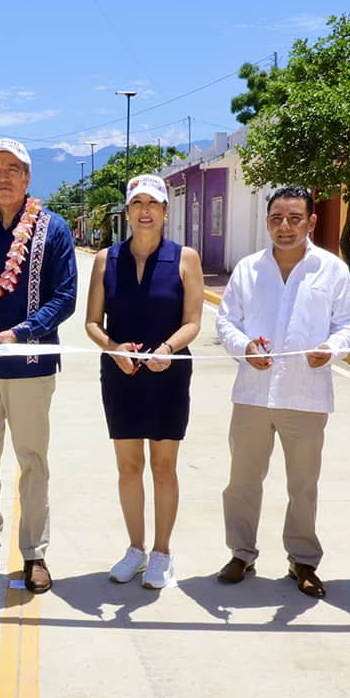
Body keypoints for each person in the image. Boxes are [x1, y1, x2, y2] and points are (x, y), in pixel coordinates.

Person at [215, 186, 350, 598]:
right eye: (276, 218)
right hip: (253, 395)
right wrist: (243, 348)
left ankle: (303, 559)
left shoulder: (331, 270)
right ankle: (241, 553)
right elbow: (226, 322)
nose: (284, 227)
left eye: (294, 218)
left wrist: (331, 350)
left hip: (306, 395)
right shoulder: (248, 269)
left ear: (311, 222)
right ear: (267, 222)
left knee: (303, 485)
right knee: (242, 481)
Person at [0, 138, 78, 594]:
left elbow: (66, 297)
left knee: (32, 462)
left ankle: (34, 554)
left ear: (27, 177)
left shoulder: (53, 229)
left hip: (30, 366)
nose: (3, 177)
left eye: (12, 168)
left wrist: (22, 333)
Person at [85, 174, 205, 590]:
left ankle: (162, 553)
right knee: (129, 466)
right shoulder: (106, 260)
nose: (145, 211)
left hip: (168, 374)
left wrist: (167, 350)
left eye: (153, 203)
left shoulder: (186, 257)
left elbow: (193, 321)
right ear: (128, 210)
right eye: (137, 203)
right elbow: (92, 324)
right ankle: (135, 548)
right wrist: (114, 348)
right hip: (121, 375)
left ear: (166, 211)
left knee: (163, 466)